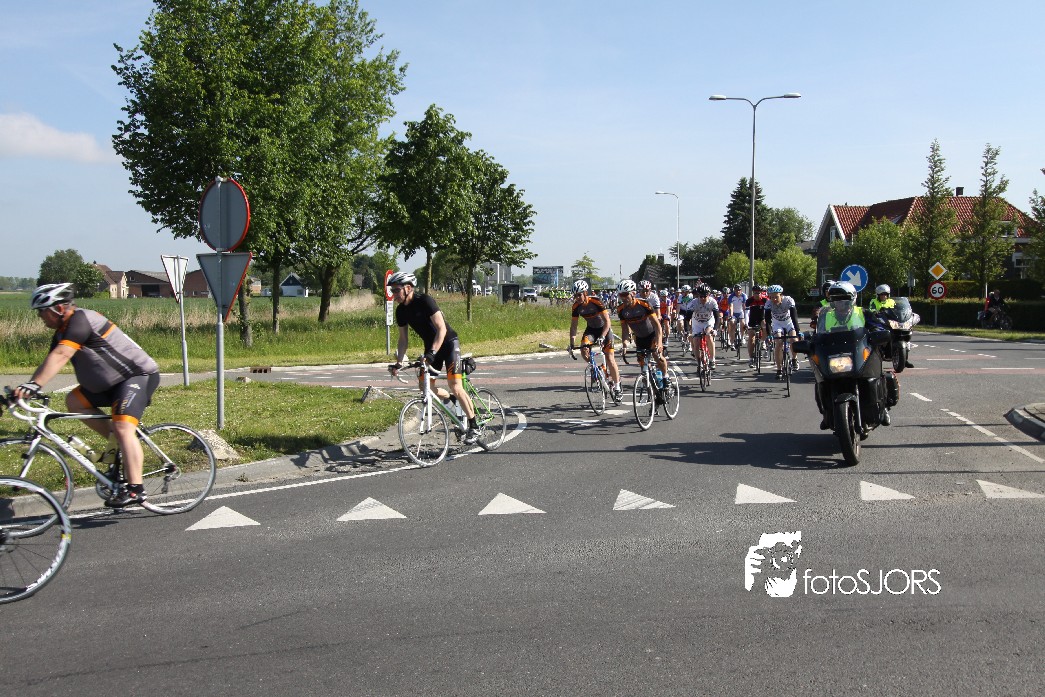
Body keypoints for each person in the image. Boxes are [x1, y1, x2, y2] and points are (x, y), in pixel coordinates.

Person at [15, 283, 161, 508]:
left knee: (123, 427)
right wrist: (27, 388)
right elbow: (51, 361)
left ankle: (136, 490)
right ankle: (118, 444)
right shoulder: (62, 331)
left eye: (42, 311)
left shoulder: (81, 320)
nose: (40, 317)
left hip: (136, 377)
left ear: (59, 308)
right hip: (109, 385)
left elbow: (62, 355)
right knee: (74, 401)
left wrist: (34, 385)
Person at [388, 271, 480, 444]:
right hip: (432, 349)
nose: (394, 294)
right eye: (392, 291)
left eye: (397, 290)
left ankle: (474, 426)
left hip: (449, 344)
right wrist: (399, 362)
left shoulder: (425, 301)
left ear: (408, 288)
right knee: (425, 387)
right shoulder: (401, 311)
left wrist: (431, 353)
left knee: (455, 385)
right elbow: (403, 339)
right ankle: (452, 401)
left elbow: (441, 329)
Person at [615, 279, 670, 398]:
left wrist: (659, 343)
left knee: (657, 356)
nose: (623, 298)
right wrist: (624, 345)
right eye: (620, 295)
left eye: (625, 294)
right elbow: (625, 330)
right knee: (643, 369)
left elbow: (657, 325)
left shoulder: (644, 304)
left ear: (633, 293)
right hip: (639, 338)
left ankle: (666, 377)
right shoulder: (621, 309)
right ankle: (654, 394)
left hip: (652, 335)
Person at [569, 279, 622, 399]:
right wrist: (572, 343)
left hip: (604, 329)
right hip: (591, 330)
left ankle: (618, 387)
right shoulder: (576, 306)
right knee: (584, 350)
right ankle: (596, 369)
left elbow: (607, 321)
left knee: (609, 358)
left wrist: (603, 336)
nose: (577, 298)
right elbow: (574, 326)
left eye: (579, 295)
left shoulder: (596, 301)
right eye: (575, 295)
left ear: (585, 293)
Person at [763, 284, 801, 379]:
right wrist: (769, 334)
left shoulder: (788, 300)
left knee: (794, 340)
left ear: (781, 295)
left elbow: (794, 317)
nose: (774, 299)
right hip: (777, 324)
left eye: (776, 297)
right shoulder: (768, 303)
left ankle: (794, 359)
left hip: (788, 322)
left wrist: (798, 331)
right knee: (778, 343)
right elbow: (768, 321)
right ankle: (779, 369)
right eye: (771, 297)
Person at [686, 284, 721, 370]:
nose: (702, 298)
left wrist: (715, 329)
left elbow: (717, 317)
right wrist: (686, 331)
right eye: (700, 296)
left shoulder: (712, 302)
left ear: (708, 295)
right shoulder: (693, 303)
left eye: (704, 296)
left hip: (708, 321)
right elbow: (687, 318)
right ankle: (698, 363)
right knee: (696, 341)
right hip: (697, 322)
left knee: (708, 335)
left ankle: (712, 360)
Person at [744, 284, 768, 367]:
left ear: (761, 293)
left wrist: (769, 322)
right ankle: (751, 358)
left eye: (758, 293)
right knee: (751, 337)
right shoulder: (749, 301)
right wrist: (746, 323)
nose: (757, 294)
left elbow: (769, 313)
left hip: (762, 319)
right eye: (755, 293)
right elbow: (746, 313)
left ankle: (762, 341)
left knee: (765, 325)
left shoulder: (765, 300)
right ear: (753, 293)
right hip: (752, 320)